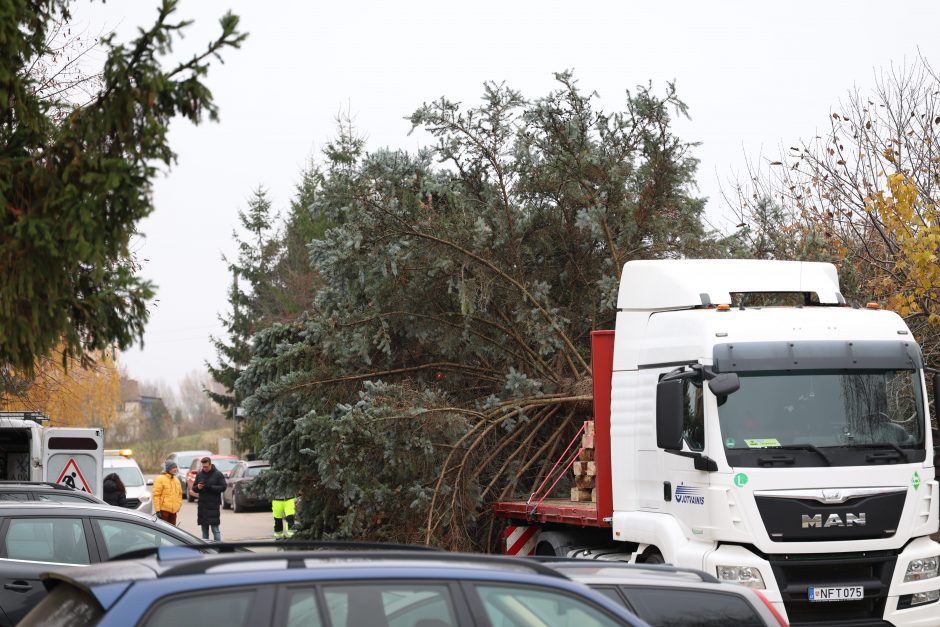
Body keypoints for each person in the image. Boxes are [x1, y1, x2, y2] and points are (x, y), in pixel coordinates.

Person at [193, 456, 226, 541]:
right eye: (203, 467)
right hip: (202, 506)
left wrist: (210, 487)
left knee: (215, 530)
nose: (204, 468)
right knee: (204, 531)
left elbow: (223, 487)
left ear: (210, 464)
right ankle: (205, 550)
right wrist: (198, 487)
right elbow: (194, 488)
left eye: (206, 467)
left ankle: (218, 549)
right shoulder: (199, 474)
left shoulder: (218, 474)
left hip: (213, 506)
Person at [152, 460, 183, 525]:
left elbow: (180, 495)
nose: (175, 469)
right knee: (162, 531)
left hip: (173, 511)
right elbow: (156, 495)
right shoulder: (160, 479)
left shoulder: (176, 480)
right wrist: (157, 510)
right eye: (173, 468)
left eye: (176, 467)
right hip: (163, 511)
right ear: (168, 469)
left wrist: (178, 505)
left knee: (172, 532)